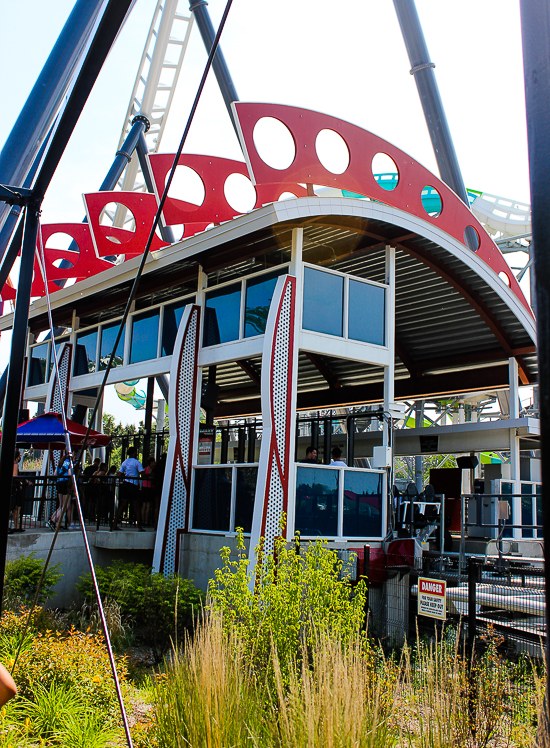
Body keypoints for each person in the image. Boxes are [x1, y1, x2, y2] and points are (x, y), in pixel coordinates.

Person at [113, 447, 143, 531]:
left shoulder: (125, 462)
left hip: (126, 484)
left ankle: (114, 524)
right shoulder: (137, 462)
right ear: (134, 453)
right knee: (136, 506)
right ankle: (139, 526)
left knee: (122, 505)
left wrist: (125, 477)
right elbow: (142, 473)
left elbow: (119, 473)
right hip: (133, 484)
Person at [49, 454, 74, 530]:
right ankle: (53, 521)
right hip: (65, 483)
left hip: (59, 483)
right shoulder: (69, 462)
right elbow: (70, 473)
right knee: (65, 506)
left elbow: (55, 474)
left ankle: (52, 519)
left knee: (60, 505)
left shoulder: (59, 464)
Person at [9, 450, 25, 533]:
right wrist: (23, 481)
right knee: (16, 507)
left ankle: (16, 526)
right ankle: (16, 526)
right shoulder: (15, 465)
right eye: (19, 455)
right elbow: (15, 476)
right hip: (15, 488)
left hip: (12, 487)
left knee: (14, 507)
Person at [140, 457, 156, 527]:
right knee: (148, 505)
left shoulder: (144, 469)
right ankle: (146, 521)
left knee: (144, 505)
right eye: (154, 462)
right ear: (151, 463)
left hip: (144, 487)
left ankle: (143, 520)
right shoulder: (152, 470)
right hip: (149, 487)